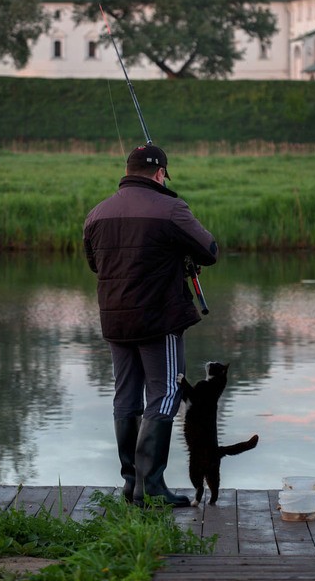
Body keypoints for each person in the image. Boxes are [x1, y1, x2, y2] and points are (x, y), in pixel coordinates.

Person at [83, 144, 218, 507]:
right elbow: (210, 250)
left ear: (128, 171)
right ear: (160, 174)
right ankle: (152, 486)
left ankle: (132, 484)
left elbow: (96, 266)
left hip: (114, 321)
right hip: (160, 322)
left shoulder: (96, 214)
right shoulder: (172, 208)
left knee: (125, 396)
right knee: (167, 393)